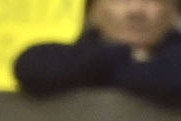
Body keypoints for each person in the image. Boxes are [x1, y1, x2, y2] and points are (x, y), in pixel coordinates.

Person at [13, 0, 181, 101]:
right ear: (93, 11)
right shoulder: (64, 59)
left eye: (150, 1)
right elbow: (31, 68)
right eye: (120, 0)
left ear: (173, 11)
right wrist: (126, 58)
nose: (135, 11)